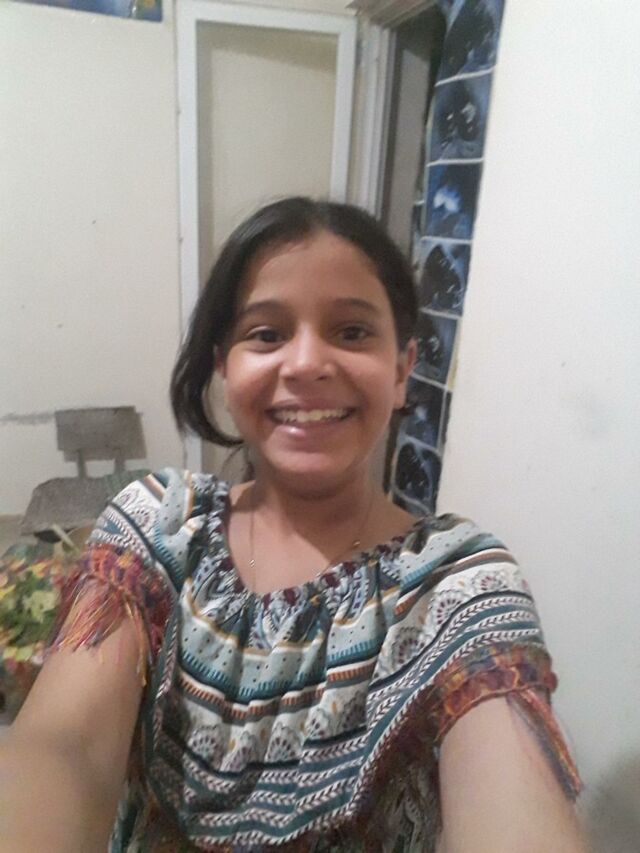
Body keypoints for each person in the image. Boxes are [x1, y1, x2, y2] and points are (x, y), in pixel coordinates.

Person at [0, 198, 585, 852]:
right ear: (225, 366)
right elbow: (65, 747)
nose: (306, 363)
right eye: (267, 334)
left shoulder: (458, 584)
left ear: (401, 370)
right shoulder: (159, 527)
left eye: (353, 332)